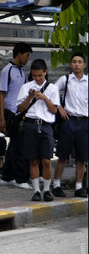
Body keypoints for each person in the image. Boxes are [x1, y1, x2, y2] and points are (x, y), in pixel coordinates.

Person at [16, 59, 60, 201]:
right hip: (30, 124)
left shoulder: (52, 88)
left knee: (46, 160)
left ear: (45, 73)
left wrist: (44, 98)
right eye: (35, 75)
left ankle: (46, 189)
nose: (37, 78)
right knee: (33, 160)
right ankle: (36, 191)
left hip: (46, 125)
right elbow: (20, 109)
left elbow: (54, 110)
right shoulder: (26, 87)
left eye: (40, 75)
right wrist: (30, 96)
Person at [52, 52, 88, 198]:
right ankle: (56, 185)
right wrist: (59, 107)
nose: (77, 64)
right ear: (70, 64)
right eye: (74, 62)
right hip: (69, 121)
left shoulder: (88, 81)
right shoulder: (65, 79)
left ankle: (79, 187)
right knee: (62, 155)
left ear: (84, 65)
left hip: (84, 122)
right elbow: (51, 91)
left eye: (80, 62)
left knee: (82, 157)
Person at [0, 42, 33, 189]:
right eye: (26, 55)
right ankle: (21, 179)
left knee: (14, 145)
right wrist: (2, 118)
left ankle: (7, 176)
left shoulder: (22, 70)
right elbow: (2, 94)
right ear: (19, 54)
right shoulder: (7, 70)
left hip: (20, 111)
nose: (27, 58)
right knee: (19, 146)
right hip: (11, 112)